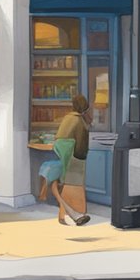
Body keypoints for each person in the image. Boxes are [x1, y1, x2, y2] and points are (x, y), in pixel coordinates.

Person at [52, 95, 91, 227]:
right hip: (73, 154)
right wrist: (81, 158)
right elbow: (81, 147)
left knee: (64, 183)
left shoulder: (67, 118)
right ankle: (77, 214)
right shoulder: (80, 122)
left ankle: (63, 215)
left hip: (61, 153)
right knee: (75, 185)